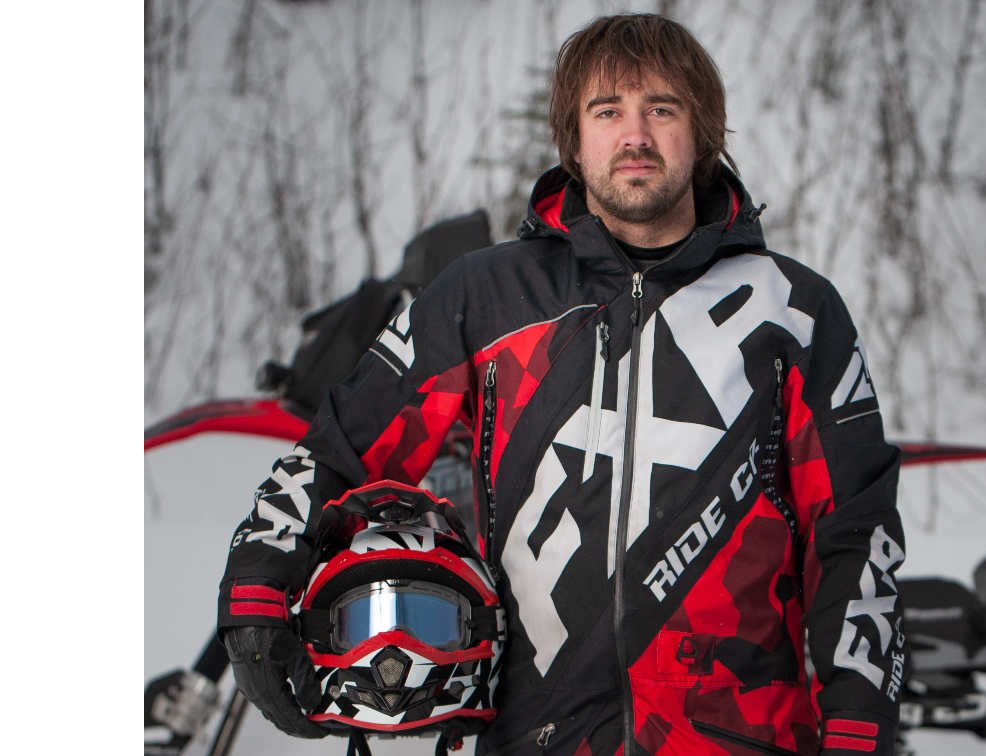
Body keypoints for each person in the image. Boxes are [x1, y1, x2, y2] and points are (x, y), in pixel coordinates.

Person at [218, 13, 906, 756]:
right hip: (538, 738)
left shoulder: (795, 311)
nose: (634, 135)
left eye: (662, 109)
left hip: (743, 739)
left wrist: (859, 725)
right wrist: (257, 590)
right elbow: (340, 451)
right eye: (607, 111)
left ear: (702, 134)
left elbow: (855, 537)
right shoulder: (483, 298)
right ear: (574, 140)